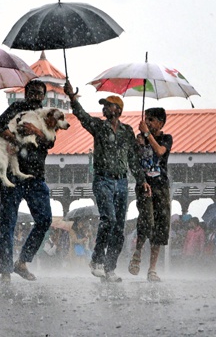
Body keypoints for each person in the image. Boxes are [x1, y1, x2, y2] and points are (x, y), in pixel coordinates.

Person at [63, 80, 149, 283]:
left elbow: (133, 159)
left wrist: (142, 178)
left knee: (119, 227)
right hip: (103, 180)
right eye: (103, 105)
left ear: (117, 109)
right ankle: (96, 260)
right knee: (108, 219)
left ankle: (110, 268)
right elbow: (83, 117)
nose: (103, 108)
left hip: (121, 182)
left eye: (107, 105)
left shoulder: (127, 131)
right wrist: (72, 98)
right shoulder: (99, 127)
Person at [0, 80, 55, 283]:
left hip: (36, 176)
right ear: (26, 93)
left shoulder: (47, 114)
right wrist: (14, 139)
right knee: (8, 223)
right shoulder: (17, 108)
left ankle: (22, 261)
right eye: (33, 92)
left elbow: (51, 142)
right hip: (13, 174)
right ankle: (5, 272)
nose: (36, 96)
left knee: (45, 219)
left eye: (40, 93)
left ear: (44, 96)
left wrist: (36, 131)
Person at [128, 107, 173, 282]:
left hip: (161, 187)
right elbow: (133, 160)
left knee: (161, 227)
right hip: (145, 186)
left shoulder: (166, 138)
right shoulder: (139, 140)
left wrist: (147, 136)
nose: (147, 122)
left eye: (152, 119)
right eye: (146, 119)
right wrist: (138, 144)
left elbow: (161, 152)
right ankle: (137, 252)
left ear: (161, 123)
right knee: (147, 219)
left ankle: (152, 269)